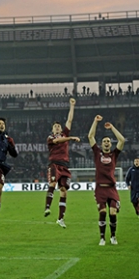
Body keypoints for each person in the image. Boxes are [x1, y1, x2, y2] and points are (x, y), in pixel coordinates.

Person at [88, 115, 125, 246]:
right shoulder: (97, 153)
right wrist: (95, 121)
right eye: (104, 141)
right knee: (103, 213)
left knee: (113, 213)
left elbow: (122, 140)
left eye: (108, 141)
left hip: (111, 188)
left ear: (110, 143)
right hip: (100, 188)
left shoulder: (114, 154)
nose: (106, 142)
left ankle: (113, 236)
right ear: (101, 144)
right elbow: (90, 136)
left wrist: (112, 128)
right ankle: (102, 238)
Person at [44, 98, 81, 228]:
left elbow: (69, 120)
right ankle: (47, 207)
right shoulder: (51, 138)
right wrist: (70, 138)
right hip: (54, 164)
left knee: (64, 190)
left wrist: (72, 106)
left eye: (59, 126)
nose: (58, 127)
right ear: (53, 130)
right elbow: (58, 142)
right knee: (53, 183)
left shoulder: (64, 133)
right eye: (55, 126)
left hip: (65, 165)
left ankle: (60, 219)